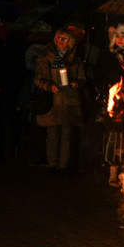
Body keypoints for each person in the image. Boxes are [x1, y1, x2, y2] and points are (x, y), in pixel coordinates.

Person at [34, 28, 86, 175]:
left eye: (65, 39)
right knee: (52, 135)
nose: (61, 42)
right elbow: (38, 79)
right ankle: (52, 164)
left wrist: (76, 84)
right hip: (53, 102)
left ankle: (62, 166)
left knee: (66, 136)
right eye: (59, 38)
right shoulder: (47, 57)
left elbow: (82, 78)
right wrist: (50, 86)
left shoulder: (74, 58)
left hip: (69, 102)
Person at [98, 23, 124, 186]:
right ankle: (112, 171)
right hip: (112, 101)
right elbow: (101, 75)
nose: (120, 39)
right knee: (113, 135)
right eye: (117, 36)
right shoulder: (107, 55)